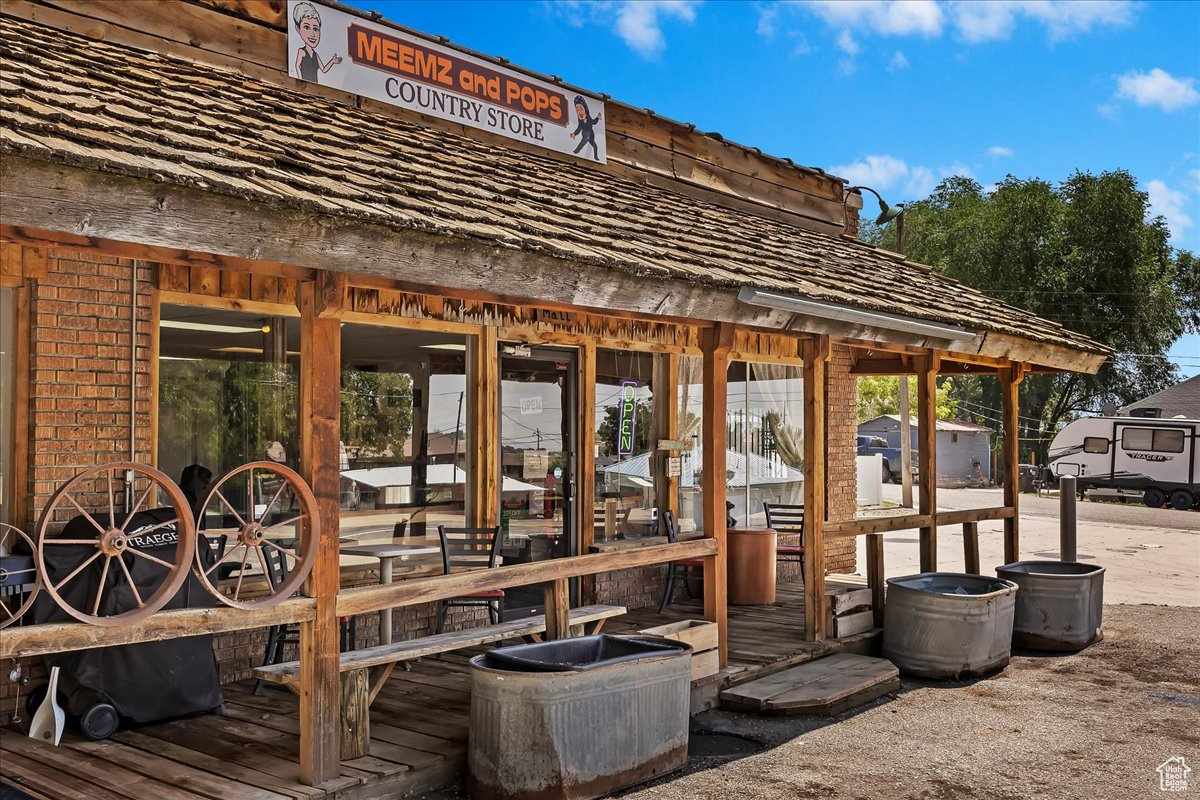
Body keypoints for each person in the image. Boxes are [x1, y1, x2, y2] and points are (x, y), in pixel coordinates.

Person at [292, 1, 342, 83]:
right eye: (307, 27)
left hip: (314, 86)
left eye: (315, 29)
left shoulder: (316, 55)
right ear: (298, 29)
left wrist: (332, 61)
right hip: (304, 86)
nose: (312, 34)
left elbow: (324, 69)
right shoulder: (302, 51)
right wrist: (300, 80)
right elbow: (297, 66)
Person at [568, 95, 602, 161]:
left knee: (595, 146)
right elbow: (578, 129)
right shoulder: (581, 122)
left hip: (591, 136)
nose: (579, 112)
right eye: (577, 110)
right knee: (583, 141)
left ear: (585, 110)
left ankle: (596, 157)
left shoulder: (589, 119)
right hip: (585, 136)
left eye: (581, 109)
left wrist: (597, 118)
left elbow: (594, 122)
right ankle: (576, 151)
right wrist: (574, 134)